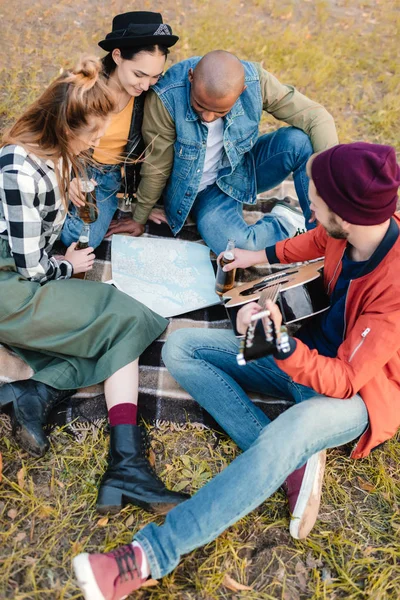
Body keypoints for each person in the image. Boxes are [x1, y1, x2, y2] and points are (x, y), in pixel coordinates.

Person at [73, 142, 400, 599]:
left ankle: (146, 557)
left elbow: (345, 379)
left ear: (344, 212)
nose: (309, 197)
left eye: (317, 194)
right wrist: (257, 260)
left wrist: (279, 342)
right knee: (182, 348)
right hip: (306, 353)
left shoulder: (394, 287)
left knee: (291, 431)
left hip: (354, 396)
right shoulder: (348, 231)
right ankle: (290, 464)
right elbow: (313, 241)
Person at [0, 56, 189, 516]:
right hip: (11, 284)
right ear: (64, 127)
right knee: (128, 318)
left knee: (103, 325)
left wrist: (71, 189)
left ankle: (31, 392)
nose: (98, 140)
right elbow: (33, 266)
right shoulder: (17, 169)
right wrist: (68, 264)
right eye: (91, 135)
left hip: (17, 275)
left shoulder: (52, 153)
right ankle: (125, 462)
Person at [107, 49, 339, 255]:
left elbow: (316, 117)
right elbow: (158, 165)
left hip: (242, 170)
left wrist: (330, 193)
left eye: (219, 112)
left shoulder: (256, 82)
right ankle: (287, 221)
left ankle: (323, 233)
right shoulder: (167, 97)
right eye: (200, 106)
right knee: (239, 248)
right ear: (190, 78)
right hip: (203, 192)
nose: (207, 117)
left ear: (242, 91)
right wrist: (139, 216)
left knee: (299, 141)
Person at [60, 11, 179, 249]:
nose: (146, 85)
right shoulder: (82, 87)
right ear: (117, 56)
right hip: (73, 164)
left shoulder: (152, 97)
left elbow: (159, 156)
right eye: (139, 74)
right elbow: (52, 136)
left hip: (108, 177)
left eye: (155, 76)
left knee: (79, 239)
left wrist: (143, 208)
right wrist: (65, 177)